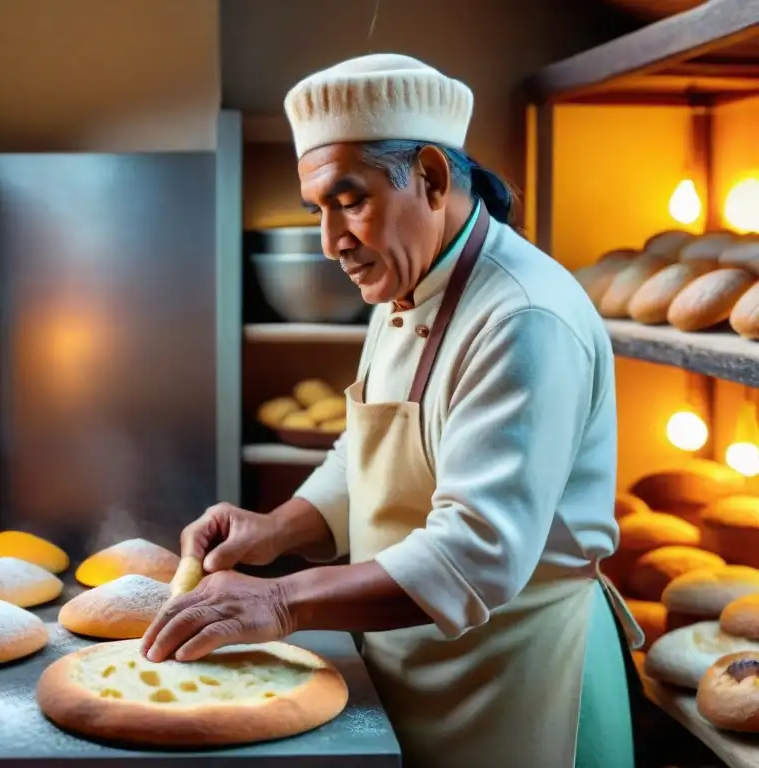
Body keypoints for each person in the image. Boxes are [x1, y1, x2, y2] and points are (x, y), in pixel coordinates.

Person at [142, 53, 643, 768]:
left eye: (350, 200)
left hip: (523, 688)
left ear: (432, 179)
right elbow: (368, 456)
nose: (330, 242)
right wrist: (275, 528)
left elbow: (477, 554)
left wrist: (281, 600)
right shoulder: (408, 281)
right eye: (319, 209)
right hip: (416, 670)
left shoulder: (523, 317)